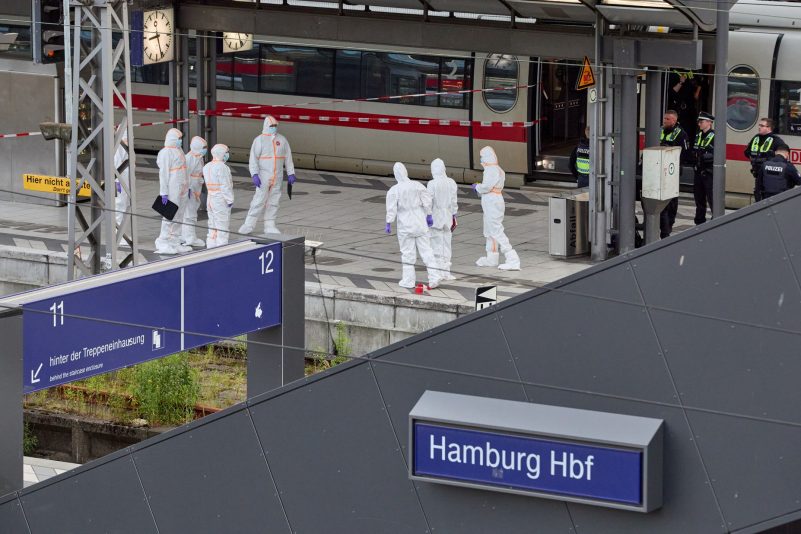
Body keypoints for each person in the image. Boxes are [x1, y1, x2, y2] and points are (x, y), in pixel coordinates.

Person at [385, 162, 440, 290]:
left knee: (407, 253)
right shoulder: (417, 185)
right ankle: (434, 277)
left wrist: (389, 222)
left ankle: (408, 281)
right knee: (427, 251)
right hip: (420, 222)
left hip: (405, 226)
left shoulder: (394, 190)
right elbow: (427, 200)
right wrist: (429, 214)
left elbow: (391, 208)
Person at [238, 115, 296, 235]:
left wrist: (291, 173)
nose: (274, 128)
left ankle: (270, 224)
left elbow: (288, 158)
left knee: (274, 201)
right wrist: (254, 174)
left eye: (275, 126)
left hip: (277, 176)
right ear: (266, 126)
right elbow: (253, 159)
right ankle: (249, 224)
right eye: (272, 126)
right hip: (263, 176)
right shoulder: (259, 140)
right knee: (259, 200)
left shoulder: (282, 140)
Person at [473, 146, 520, 270]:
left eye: (482, 156)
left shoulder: (491, 170)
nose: (481, 159)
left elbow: (487, 186)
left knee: (496, 230)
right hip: (493, 200)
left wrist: (477, 187)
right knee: (490, 230)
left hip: (492, 201)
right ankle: (491, 257)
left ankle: (512, 258)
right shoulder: (497, 169)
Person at [155, 128, 191, 255]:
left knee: (179, 214)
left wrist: (187, 186)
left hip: (181, 186)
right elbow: (163, 174)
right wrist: (163, 192)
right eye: (179, 139)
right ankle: (163, 241)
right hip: (172, 187)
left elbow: (184, 170)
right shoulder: (165, 153)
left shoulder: (178, 150)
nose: (180, 141)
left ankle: (175, 241)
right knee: (169, 214)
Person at [659, 110, 691, 238]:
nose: (664, 121)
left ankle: (669, 225)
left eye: (667, 119)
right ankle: (662, 225)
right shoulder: (661, 130)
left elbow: (686, 153)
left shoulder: (681, 134)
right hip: (659, 169)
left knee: (671, 200)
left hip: (673, 170)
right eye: (664, 118)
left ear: (674, 121)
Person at [426, 158, 458, 281]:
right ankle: (446, 272)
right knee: (447, 244)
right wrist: (454, 215)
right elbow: (454, 202)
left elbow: (429, 202)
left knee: (436, 245)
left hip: (436, 217)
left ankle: (438, 272)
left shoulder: (432, 184)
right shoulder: (451, 182)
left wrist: (427, 215)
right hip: (448, 216)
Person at [744, 118, 785, 201]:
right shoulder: (756, 138)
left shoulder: (776, 140)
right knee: (758, 194)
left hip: (770, 175)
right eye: (759, 125)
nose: (759, 127)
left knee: (767, 196)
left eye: (762, 126)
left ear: (769, 128)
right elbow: (747, 152)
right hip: (757, 172)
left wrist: (771, 158)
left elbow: (783, 155)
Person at [204, 144, 235, 248]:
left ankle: (211, 245)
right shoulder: (222, 167)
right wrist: (230, 199)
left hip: (210, 198)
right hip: (220, 199)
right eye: (226, 152)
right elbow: (225, 185)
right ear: (221, 153)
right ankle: (222, 247)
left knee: (212, 224)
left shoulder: (207, 166)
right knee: (222, 225)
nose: (227, 154)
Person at [181, 136, 207, 248]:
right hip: (190, 190)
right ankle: (190, 238)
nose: (205, 149)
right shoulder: (189, 158)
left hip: (195, 188)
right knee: (190, 214)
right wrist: (188, 188)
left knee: (189, 212)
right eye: (203, 147)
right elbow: (185, 176)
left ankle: (184, 235)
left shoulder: (199, 157)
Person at [692, 112, 715, 225]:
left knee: (711, 198)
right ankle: (699, 221)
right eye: (699, 122)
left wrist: (705, 156)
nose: (699, 124)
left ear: (709, 123)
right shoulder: (698, 135)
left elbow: (716, 154)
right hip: (698, 171)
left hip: (709, 172)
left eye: (701, 122)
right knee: (699, 198)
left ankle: (715, 219)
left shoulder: (715, 136)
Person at [113, 126, 130, 230]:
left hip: (125, 182)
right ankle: (117, 233)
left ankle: (121, 232)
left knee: (124, 206)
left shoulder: (125, 150)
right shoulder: (118, 148)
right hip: (120, 183)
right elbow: (115, 167)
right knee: (119, 206)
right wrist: (117, 184)